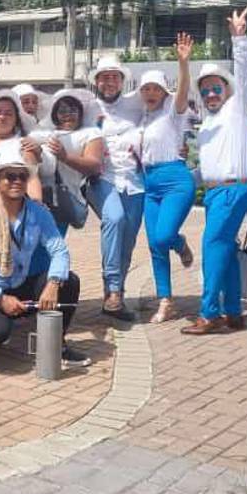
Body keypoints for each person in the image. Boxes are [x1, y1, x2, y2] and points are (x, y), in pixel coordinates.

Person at [0, 143, 84, 366]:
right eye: (9, 176)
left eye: (22, 176)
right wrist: (0, 298)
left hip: (20, 282)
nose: (17, 181)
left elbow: (59, 250)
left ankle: (56, 342)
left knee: (69, 281)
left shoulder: (38, 212)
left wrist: (53, 283)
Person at [182, 7, 247, 336]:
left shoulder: (239, 107)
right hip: (215, 192)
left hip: (231, 189)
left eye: (216, 88)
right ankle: (234, 312)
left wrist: (239, 38)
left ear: (227, 89)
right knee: (224, 250)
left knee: (213, 247)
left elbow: (245, 74)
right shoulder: (209, 122)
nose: (211, 94)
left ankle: (209, 313)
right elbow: (206, 167)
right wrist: (184, 178)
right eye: (206, 90)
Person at [137, 33, 199, 324]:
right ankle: (166, 299)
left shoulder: (173, 112)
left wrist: (183, 64)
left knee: (164, 236)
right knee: (154, 244)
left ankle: (181, 244)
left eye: (156, 88)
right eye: (146, 88)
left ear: (164, 92)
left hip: (175, 180)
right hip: (150, 184)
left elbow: (183, 91)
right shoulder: (142, 118)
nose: (151, 93)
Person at [86, 56, 145, 320]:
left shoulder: (136, 103)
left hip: (135, 181)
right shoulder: (87, 107)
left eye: (114, 77)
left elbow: (167, 113)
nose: (109, 82)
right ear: (96, 81)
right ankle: (112, 287)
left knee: (127, 240)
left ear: (122, 81)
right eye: (104, 77)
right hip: (102, 179)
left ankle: (115, 297)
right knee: (115, 219)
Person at [31, 88, 105, 236]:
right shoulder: (43, 134)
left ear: (80, 113)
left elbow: (94, 166)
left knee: (52, 243)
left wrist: (65, 157)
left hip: (63, 200)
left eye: (72, 110)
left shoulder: (90, 133)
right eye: (62, 111)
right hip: (37, 199)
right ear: (55, 114)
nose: (67, 115)